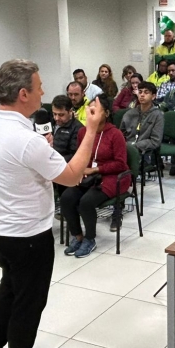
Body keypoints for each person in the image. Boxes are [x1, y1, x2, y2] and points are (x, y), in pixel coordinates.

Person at [0, 59, 104, 348]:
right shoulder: (25, 139)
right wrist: (91, 129)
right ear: (24, 93)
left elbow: (9, 165)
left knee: (9, 290)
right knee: (28, 302)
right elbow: (72, 176)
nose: (45, 92)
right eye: (39, 86)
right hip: (27, 234)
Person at [60, 96, 130, 253]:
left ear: (105, 113)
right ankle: (77, 236)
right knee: (66, 198)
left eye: (95, 110)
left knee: (86, 202)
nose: (91, 113)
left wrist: (96, 170)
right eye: (89, 109)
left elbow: (121, 164)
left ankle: (90, 239)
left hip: (113, 177)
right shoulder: (83, 132)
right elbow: (81, 156)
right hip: (88, 175)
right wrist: (80, 171)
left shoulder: (115, 134)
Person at [120, 82, 165, 156]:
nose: (142, 95)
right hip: (125, 149)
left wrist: (134, 146)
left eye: (146, 92)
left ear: (153, 96)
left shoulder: (157, 115)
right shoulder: (129, 114)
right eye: (140, 92)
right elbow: (121, 134)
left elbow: (155, 141)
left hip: (145, 152)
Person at [49, 95, 82, 163]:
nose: (56, 118)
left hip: (63, 166)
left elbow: (74, 155)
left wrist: (53, 161)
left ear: (70, 111)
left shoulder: (78, 128)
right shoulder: (49, 122)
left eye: (61, 115)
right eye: (54, 114)